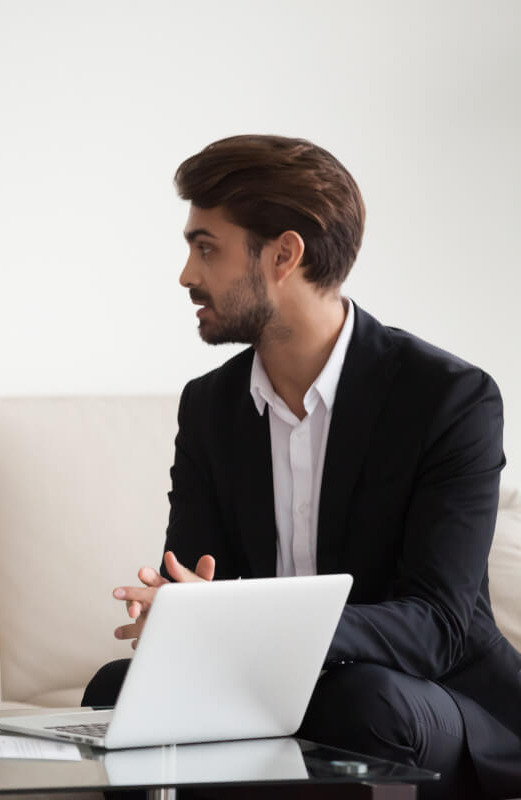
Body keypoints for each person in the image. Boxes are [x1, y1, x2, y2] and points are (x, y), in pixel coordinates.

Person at [83, 135, 521, 798]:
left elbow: (439, 624)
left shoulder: (448, 398)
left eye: (207, 247)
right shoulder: (210, 407)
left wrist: (250, 622)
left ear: (284, 255)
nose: (186, 275)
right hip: (272, 689)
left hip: (429, 694)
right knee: (114, 691)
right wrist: (176, 613)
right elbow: (199, 581)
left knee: (364, 701)